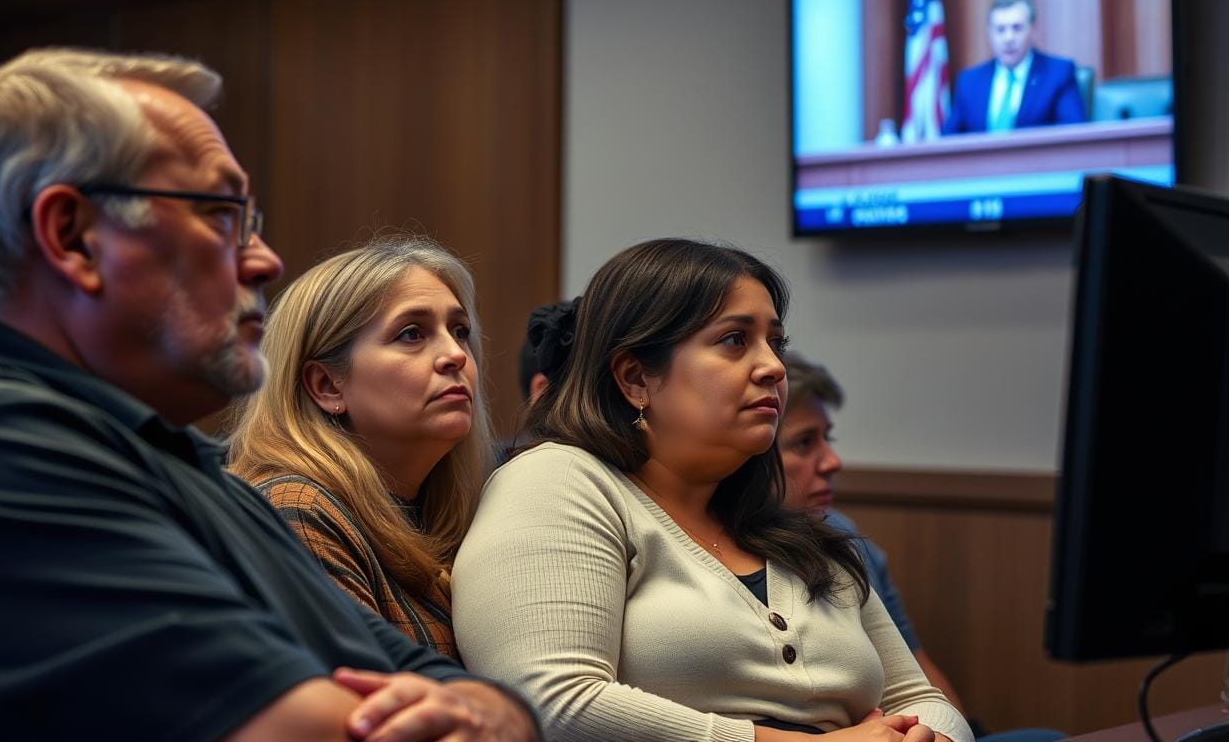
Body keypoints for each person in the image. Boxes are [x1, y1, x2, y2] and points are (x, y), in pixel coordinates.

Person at [0, 47, 536, 741]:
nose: (264, 260)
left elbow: (442, 681)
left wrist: (497, 714)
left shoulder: (180, 459)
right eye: (222, 214)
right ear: (72, 237)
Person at [452, 238, 972, 742]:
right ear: (636, 379)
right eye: (734, 340)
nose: (772, 366)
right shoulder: (558, 483)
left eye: (776, 342)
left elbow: (923, 701)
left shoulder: (800, 536)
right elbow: (550, 703)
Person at [228, 236, 494, 660]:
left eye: (459, 331)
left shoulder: (451, 514)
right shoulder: (297, 510)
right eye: (412, 334)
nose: (455, 355)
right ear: (327, 385)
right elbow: (363, 709)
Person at [779, 354, 1065, 742]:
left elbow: (918, 669)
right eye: (803, 443)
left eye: (827, 439)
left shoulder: (844, 537)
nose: (832, 461)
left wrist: (956, 734)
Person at [941, 0, 1085, 135]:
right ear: (989, 33)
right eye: (1000, 29)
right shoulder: (969, 81)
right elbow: (949, 141)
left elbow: (1073, 137)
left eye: (1017, 28)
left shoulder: (1058, 73)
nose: (1008, 38)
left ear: (1033, 30)